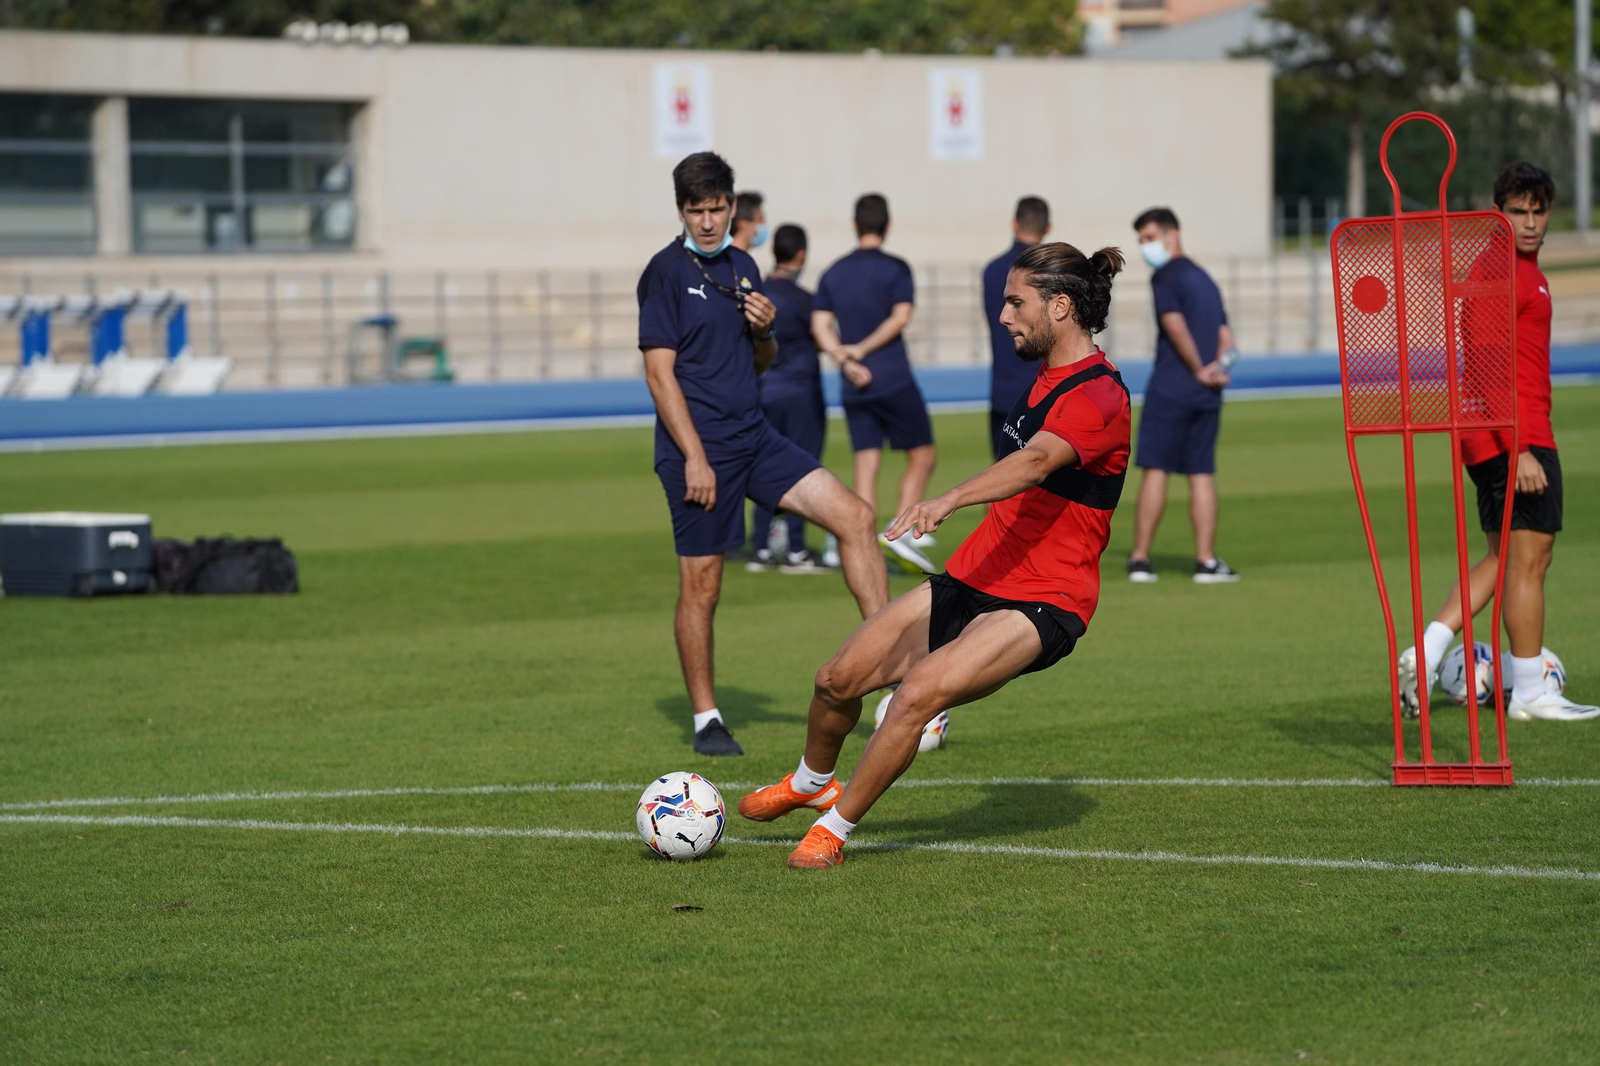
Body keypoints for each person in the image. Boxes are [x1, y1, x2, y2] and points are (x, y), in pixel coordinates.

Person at [737, 242, 1131, 868]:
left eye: (1014, 302)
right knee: (836, 679)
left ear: (1060, 307)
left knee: (918, 694)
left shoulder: (1100, 395)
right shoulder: (1047, 376)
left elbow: (1033, 464)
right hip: (978, 576)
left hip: (1045, 601)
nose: (1002, 316)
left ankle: (833, 832)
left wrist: (948, 498)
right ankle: (811, 784)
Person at [638, 152, 890, 756]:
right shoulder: (665, 273)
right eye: (695, 211)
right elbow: (658, 373)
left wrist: (766, 329)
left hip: (754, 437)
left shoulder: (744, 264)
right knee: (704, 587)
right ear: (681, 210)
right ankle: (706, 719)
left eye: (717, 209)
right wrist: (695, 456)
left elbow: (760, 361)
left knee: (855, 517)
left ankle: (897, 683)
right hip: (697, 455)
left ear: (733, 207)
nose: (706, 221)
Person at [1398, 162, 1597, 721]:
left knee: (1507, 556)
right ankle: (1531, 691)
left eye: (1539, 211)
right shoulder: (1496, 270)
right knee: (1529, 558)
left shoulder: (1522, 267)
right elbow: (1486, 366)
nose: (1530, 223)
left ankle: (1432, 650)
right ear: (1497, 212)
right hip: (1513, 434)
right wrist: (1523, 447)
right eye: (1518, 212)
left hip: (1504, 432)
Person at [812, 193, 939, 575]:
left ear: (855, 224)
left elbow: (819, 326)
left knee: (866, 466)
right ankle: (899, 532)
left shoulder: (833, 272)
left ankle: (862, 545)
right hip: (892, 377)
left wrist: (844, 358)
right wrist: (862, 350)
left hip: (854, 386)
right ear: (887, 225)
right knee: (923, 455)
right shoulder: (896, 268)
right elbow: (900, 317)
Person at [1124, 207, 1240, 585]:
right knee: (1201, 472)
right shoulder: (1204, 278)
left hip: (1172, 387)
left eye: (1148, 237)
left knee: (1156, 469)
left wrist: (1196, 368)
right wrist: (1220, 367)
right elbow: (1226, 335)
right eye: (1141, 239)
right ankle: (1206, 561)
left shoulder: (1166, 276)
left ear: (1170, 235)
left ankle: (1140, 559)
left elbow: (1175, 326)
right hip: (1206, 393)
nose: (1145, 246)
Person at [746, 223, 833, 573]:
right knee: (801, 468)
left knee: (763, 465)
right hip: (800, 394)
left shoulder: (758, 294)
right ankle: (795, 548)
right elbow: (824, 336)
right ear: (801, 255)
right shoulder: (806, 301)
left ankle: (760, 547)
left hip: (764, 390)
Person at [984, 196, 1052, 459]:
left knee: (999, 482)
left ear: (1014, 223)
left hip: (1003, 388)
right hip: (1043, 389)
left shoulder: (992, 270)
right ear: (1047, 227)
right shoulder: (1049, 272)